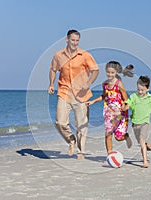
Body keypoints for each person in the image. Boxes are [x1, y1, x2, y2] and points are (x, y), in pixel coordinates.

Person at [48, 29, 99, 160]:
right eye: (72, 40)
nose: (75, 43)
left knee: (81, 124)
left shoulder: (84, 55)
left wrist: (89, 82)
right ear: (67, 39)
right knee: (60, 122)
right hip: (64, 92)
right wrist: (51, 84)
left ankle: (81, 151)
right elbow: (53, 70)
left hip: (81, 94)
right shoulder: (58, 55)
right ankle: (71, 140)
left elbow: (95, 70)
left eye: (77, 40)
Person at [86, 61, 133, 155]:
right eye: (108, 72)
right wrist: (93, 101)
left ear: (116, 72)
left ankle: (126, 136)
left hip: (120, 114)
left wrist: (124, 108)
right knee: (108, 134)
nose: (110, 74)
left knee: (118, 137)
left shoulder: (119, 84)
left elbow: (126, 99)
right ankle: (110, 155)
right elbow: (104, 96)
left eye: (112, 72)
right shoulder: (105, 84)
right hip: (109, 113)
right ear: (105, 71)